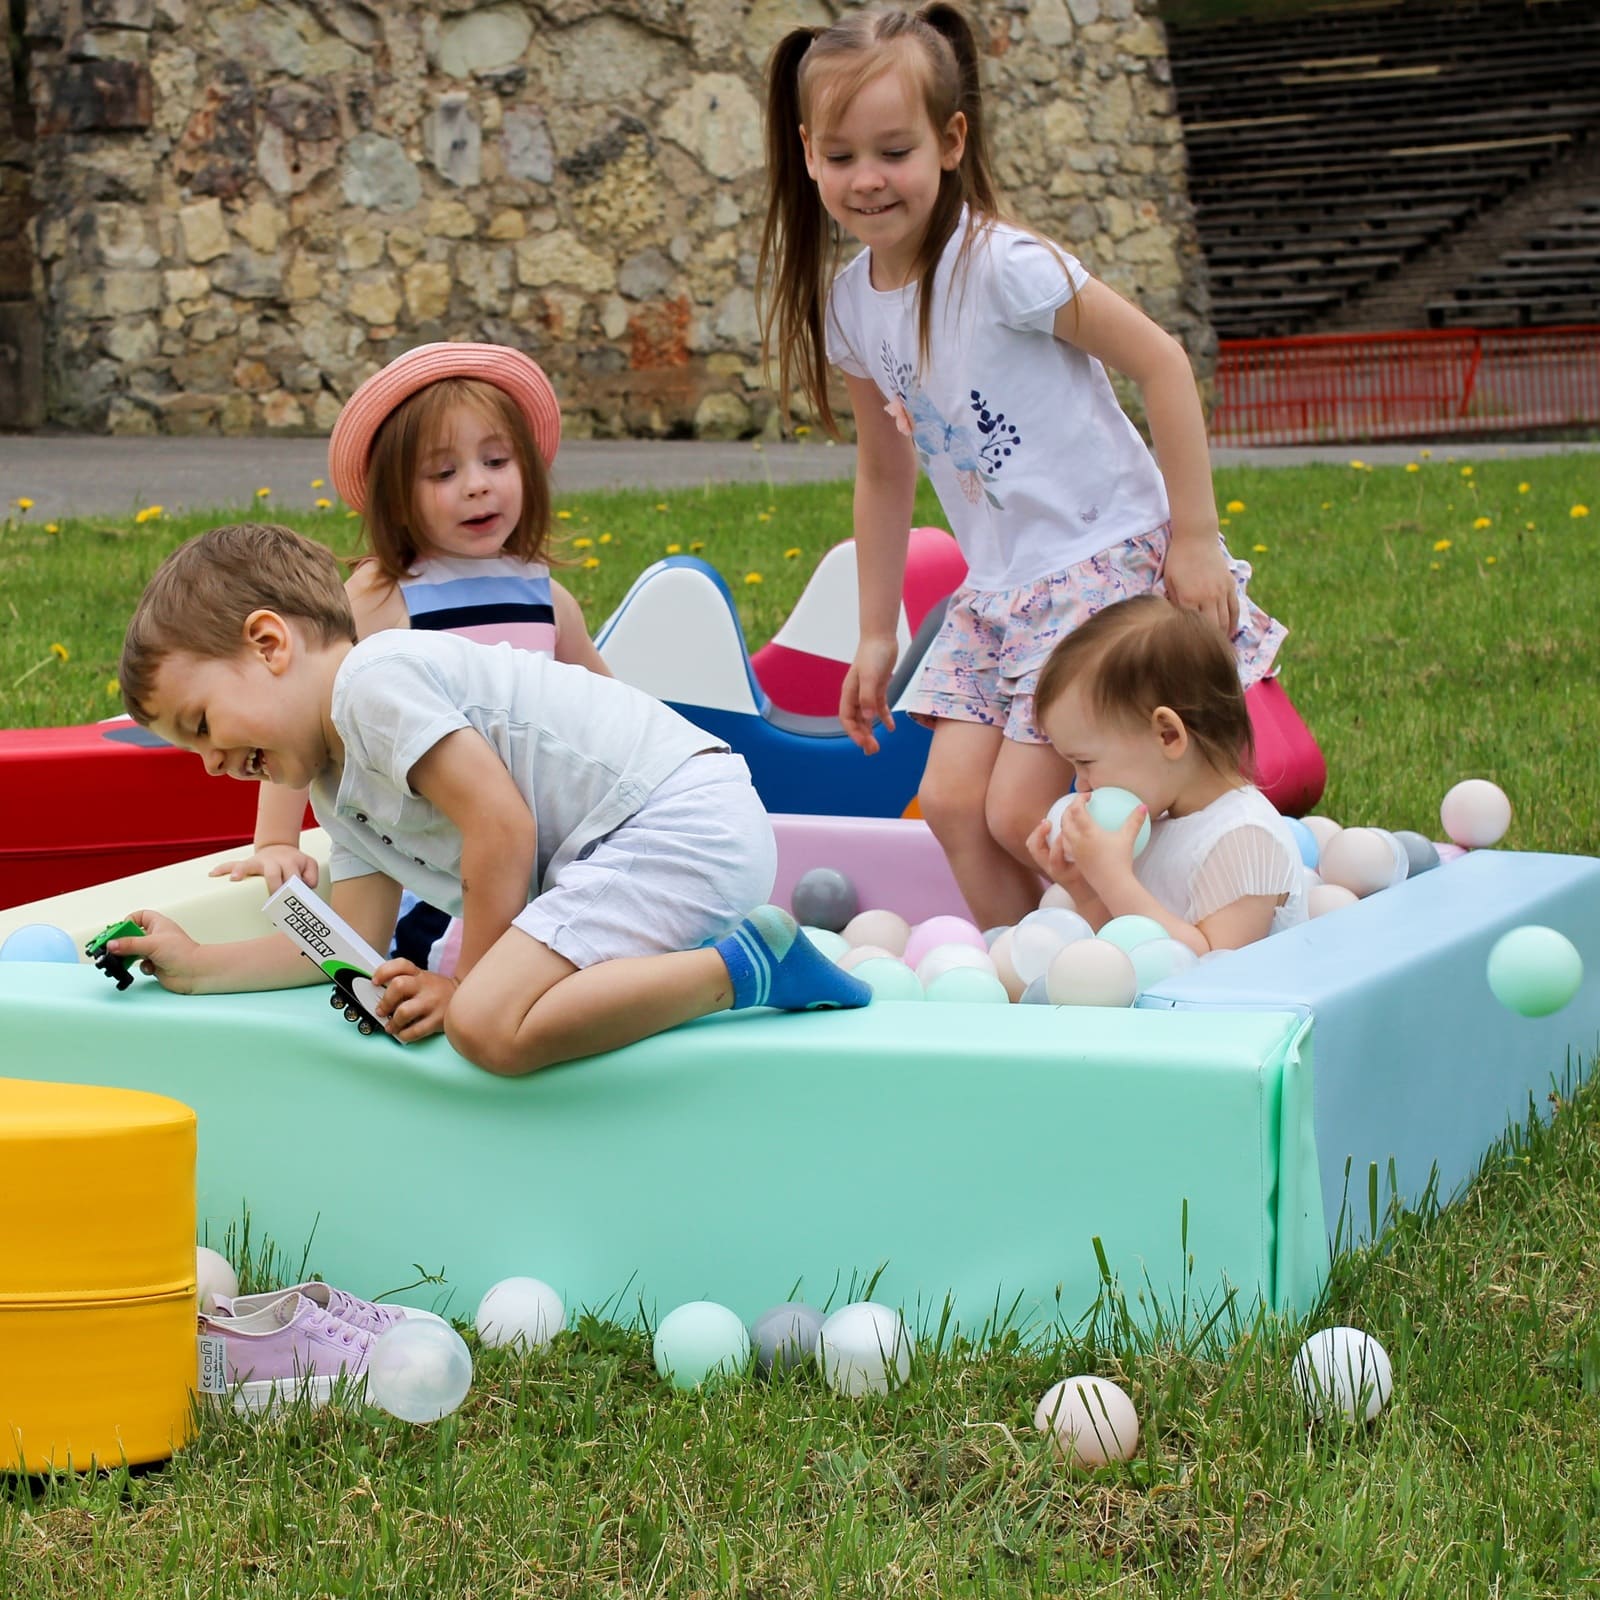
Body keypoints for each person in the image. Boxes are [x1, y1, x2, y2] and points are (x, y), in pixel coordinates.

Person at [758, 2, 1286, 930]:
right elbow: (885, 474)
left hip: (1098, 566)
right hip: (999, 592)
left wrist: (1193, 539)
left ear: (951, 140)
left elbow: (1162, 360)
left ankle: (1129, 956)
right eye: (841, 157)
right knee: (956, 806)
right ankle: (1021, 981)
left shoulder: (1005, 266)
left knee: (1020, 810)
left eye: (894, 150)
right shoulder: (851, 306)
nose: (867, 180)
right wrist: (875, 631)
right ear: (807, 154)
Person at [108, 524, 870, 1076]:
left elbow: (500, 826)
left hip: (674, 820)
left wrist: (463, 985)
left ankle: (751, 968)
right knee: (487, 1015)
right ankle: (737, 962)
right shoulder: (336, 790)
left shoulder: (372, 683)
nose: (210, 764)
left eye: (202, 724)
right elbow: (349, 945)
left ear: (269, 644)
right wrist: (198, 963)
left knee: (485, 1025)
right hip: (635, 846)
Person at [213, 341, 610, 973]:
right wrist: (276, 841)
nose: (477, 485)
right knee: (445, 955)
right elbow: (302, 719)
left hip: (537, 847)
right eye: (443, 473)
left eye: (497, 460)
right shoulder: (383, 594)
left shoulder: (546, 598)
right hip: (438, 858)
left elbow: (607, 706)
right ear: (397, 497)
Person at [1025, 595, 1305, 954]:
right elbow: (1125, 946)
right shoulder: (1153, 823)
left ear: (1168, 736)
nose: (1080, 784)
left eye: (1087, 762)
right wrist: (1087, 888)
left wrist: (1113, 878)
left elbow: (1209, 969)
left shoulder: (1244, 837)